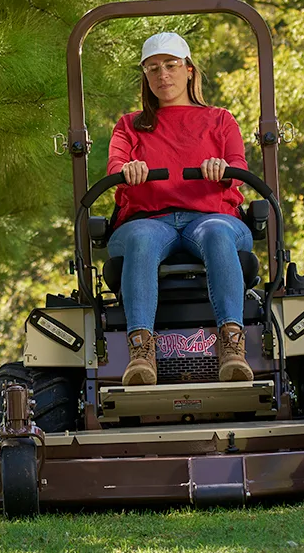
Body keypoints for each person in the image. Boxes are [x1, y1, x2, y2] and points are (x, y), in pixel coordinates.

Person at [106, 31, 255, 387]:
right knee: (141, 238)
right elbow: (115, 167)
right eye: (153, 68)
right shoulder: (129, 126)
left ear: (189, 70)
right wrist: (129, 170)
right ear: (145, 75)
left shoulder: (220, 120)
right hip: (149, 220)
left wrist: (222, 169)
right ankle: (141, 352)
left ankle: (232, 346)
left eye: (171, 65)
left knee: (217, 233)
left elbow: (238, 166)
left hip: (211, 217)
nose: (163, 75)